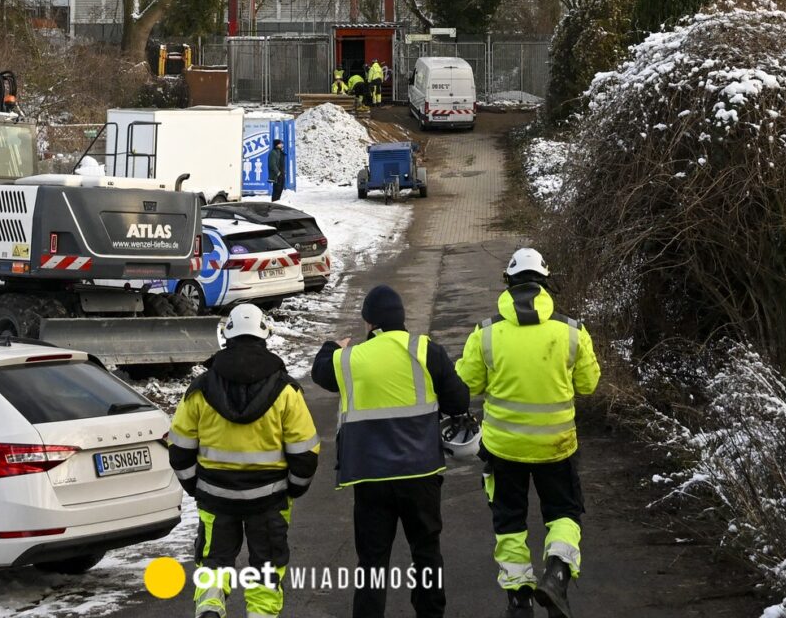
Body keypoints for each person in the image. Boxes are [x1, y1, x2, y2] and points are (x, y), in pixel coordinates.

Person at [456, 249, 601, 618]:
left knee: (509, 522)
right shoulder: (571, 332)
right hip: (558, 447)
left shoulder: (486, 333)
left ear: (508, 283)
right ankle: (556, 573)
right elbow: (588, 384)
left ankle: (518, 598)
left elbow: (466, 385)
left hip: (503, 450)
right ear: (545, 283)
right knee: (564, 514)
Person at [312, 286, 471, 618]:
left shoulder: (352, 358)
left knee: (372, 562)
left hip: (371, 479)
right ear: (402, 319)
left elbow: (320, 370)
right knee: (426, 552)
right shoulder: (427, 350)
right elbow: (459, 402)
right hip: (421, 473)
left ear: (369, 323)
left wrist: (334, 346)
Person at [169, 305, 320, 618]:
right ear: (264, 335)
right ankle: (261, 614)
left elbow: (180, 447)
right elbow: (305, 451)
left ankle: (210, 607)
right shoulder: (285, 390)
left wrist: (196, 488)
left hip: (216, 497)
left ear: (227, 337)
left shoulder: (199, 389)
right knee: (267, 563)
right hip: (269, 499)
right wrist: (294, 488)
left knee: (212, 559)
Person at [267, 138, 288, 202]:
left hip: (282, 174)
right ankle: (274, 204)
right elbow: (272, 164)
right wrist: (278, 173)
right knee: (276, 191)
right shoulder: (273, 153)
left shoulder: (280, 152)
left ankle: (277, 203)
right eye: (280, 143)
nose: (282, 145)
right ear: (277, 145)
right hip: (277, 175)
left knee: (280, 190)